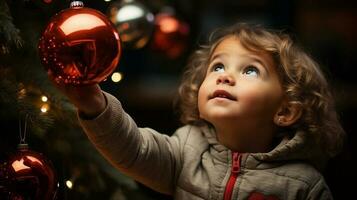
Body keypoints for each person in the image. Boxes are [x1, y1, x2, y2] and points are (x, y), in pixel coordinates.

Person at [52, 23, 345, 199]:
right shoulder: (186, 150)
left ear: (285, 110)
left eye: (251, 71)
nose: (224, 76)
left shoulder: (304, 185)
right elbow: (135, 150)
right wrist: (95, 106)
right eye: (217, 66)